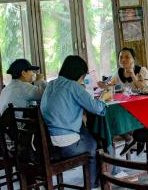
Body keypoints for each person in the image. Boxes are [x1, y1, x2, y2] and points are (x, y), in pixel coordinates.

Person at [40, 55, 106, 189]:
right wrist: (105, 97)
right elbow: (97, 108)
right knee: (94, 145)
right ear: (79, 74)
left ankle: (96, 181)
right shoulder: (73, 86)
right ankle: (93, 184)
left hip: (48, 145)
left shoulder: (51, 84)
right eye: (83, 76)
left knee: (85, 132)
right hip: (66, 147)